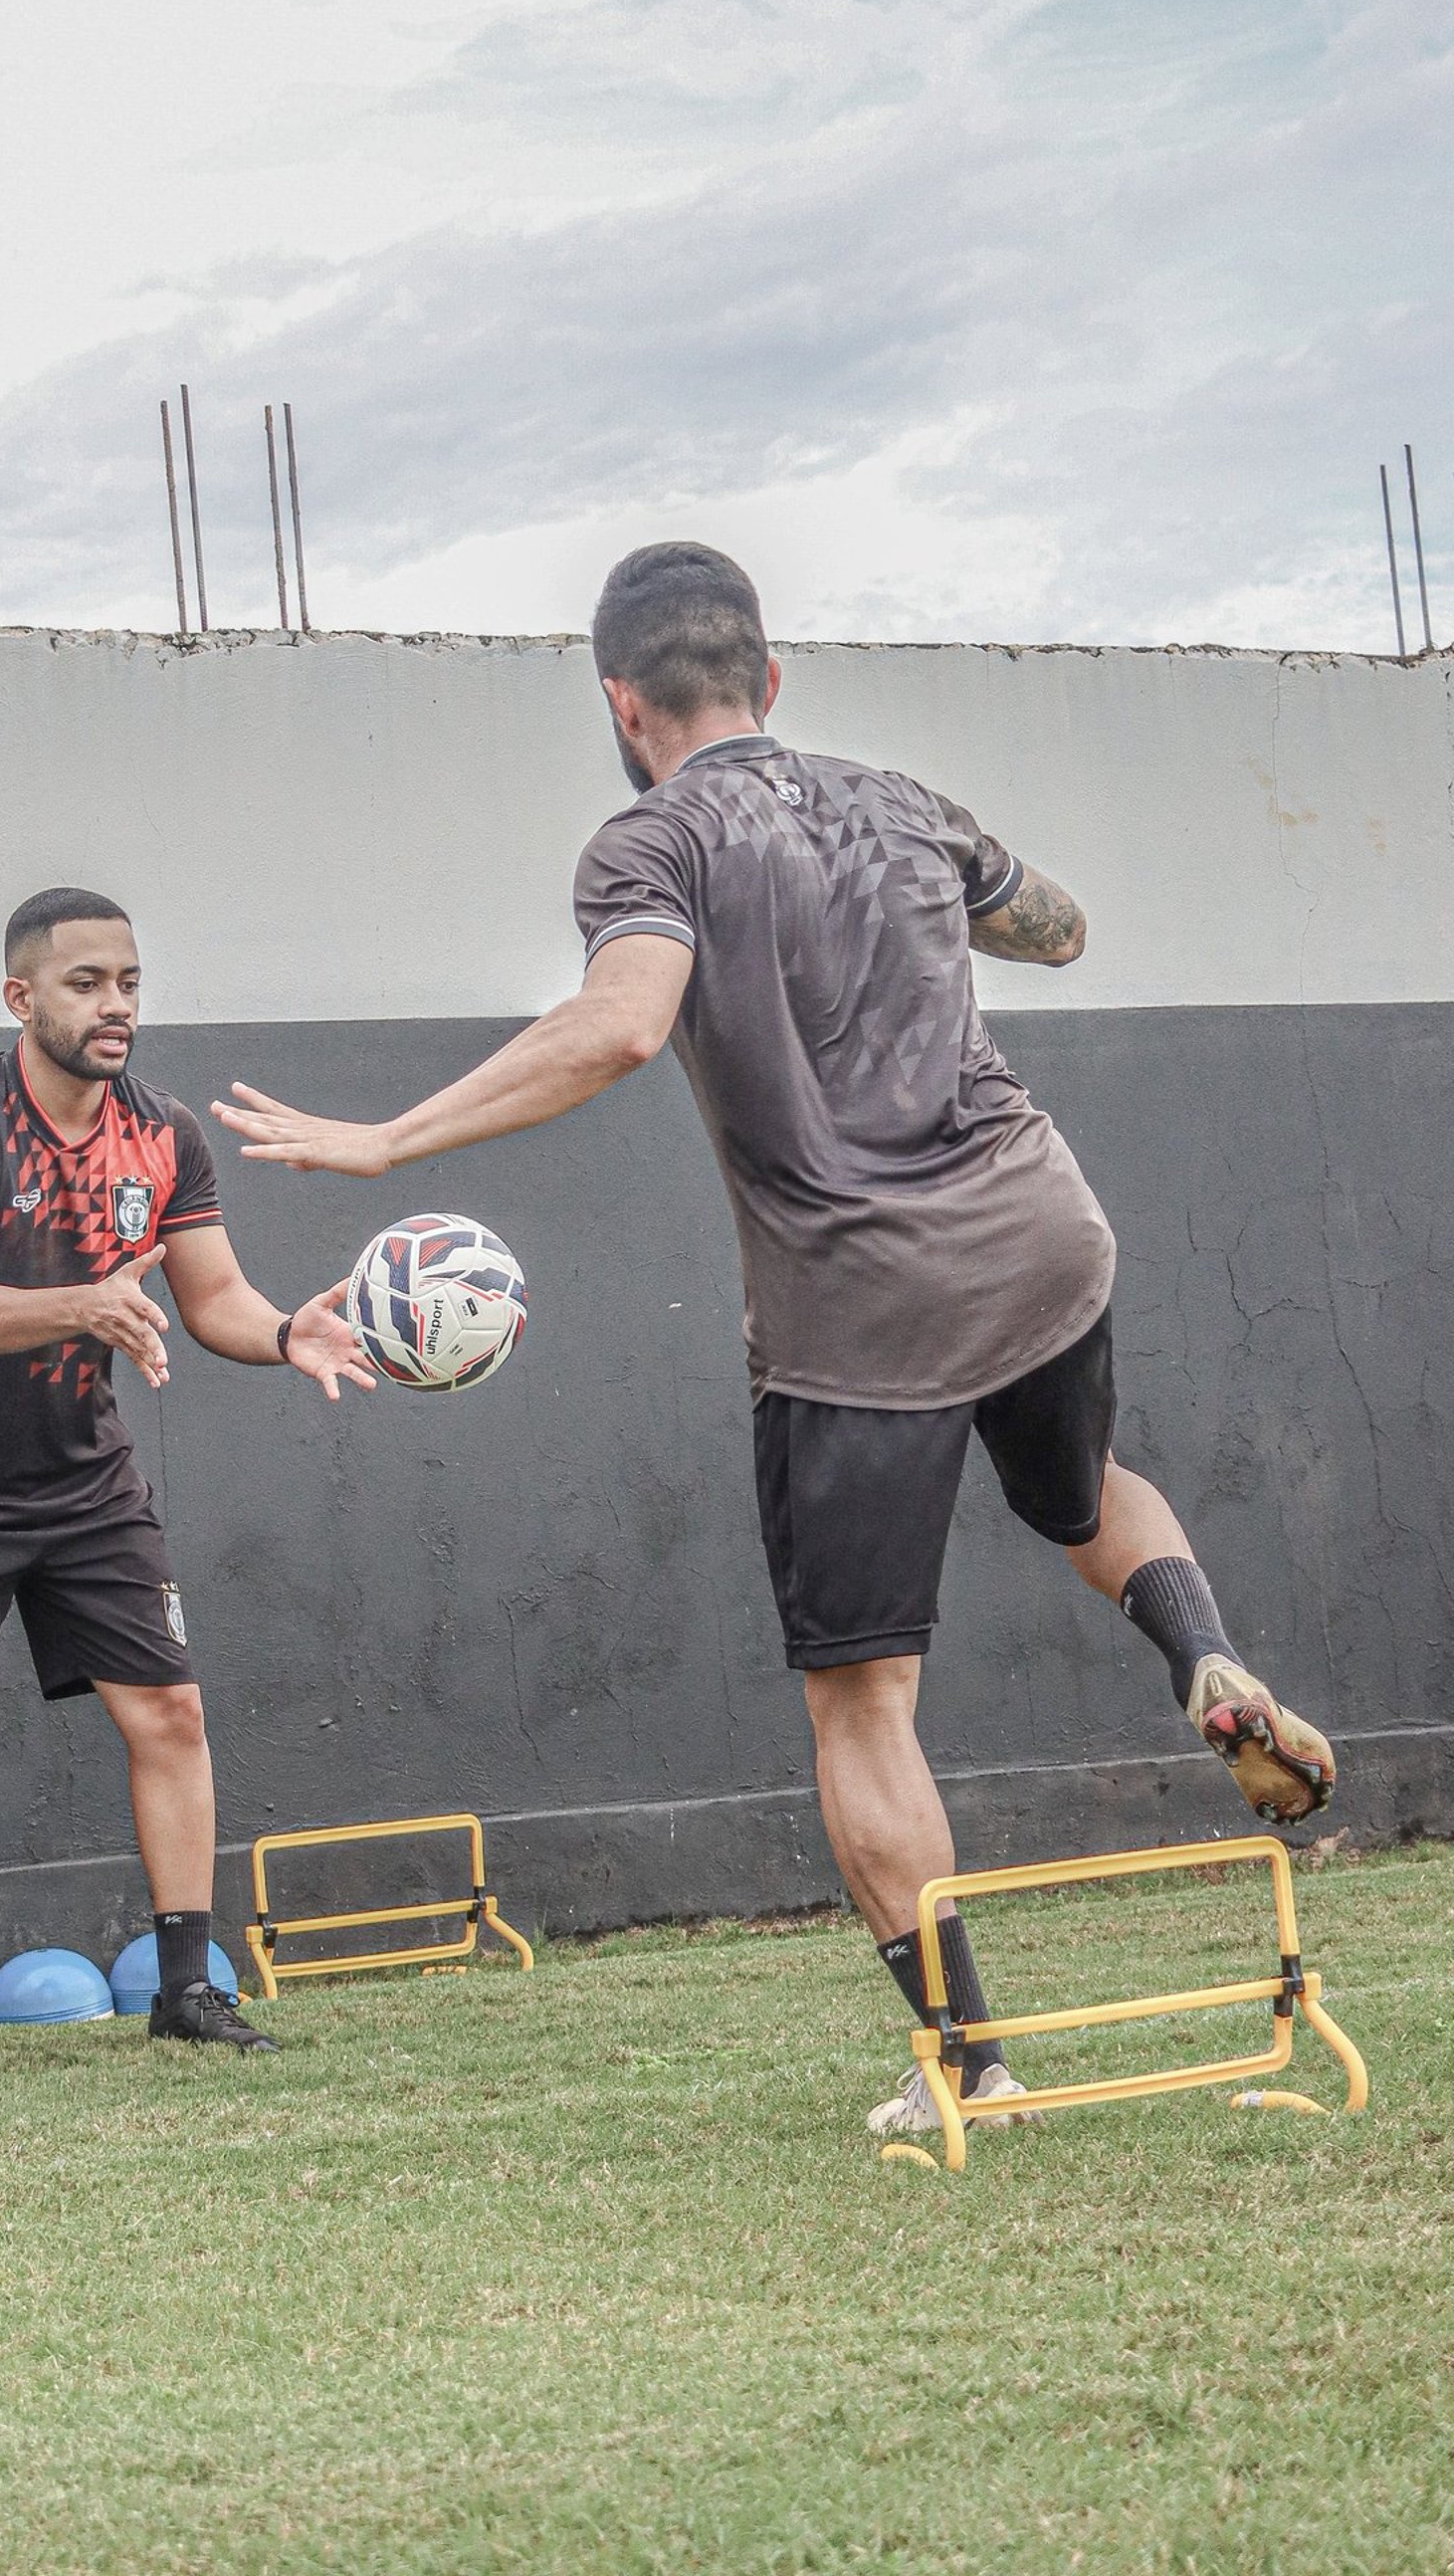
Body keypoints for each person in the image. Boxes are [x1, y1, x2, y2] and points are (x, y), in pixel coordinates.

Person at [211, 543, 1336, 2141]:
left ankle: (975, 2061)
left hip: (856, 1310)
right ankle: (1200, 1651)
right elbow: (1060, 931)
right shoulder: (902, 801)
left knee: (864, 1707)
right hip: (1038, 1233)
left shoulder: (649, 843)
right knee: (1085, 1495)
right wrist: (957, 902)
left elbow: (616, 1022)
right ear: (773, 680)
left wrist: (391, 1142)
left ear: (621, 701)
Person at [0, 885, 375, 2081]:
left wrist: (291, 1331)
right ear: (20, 997)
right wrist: (84, 1302)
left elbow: (214, 1301)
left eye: (130, 981)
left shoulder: (164, 1133)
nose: (116, 1005)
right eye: (87, 983)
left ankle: (186, 1989)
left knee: (171, 1715)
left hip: (84, 1485)